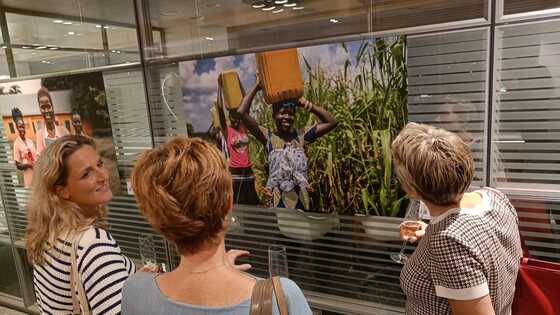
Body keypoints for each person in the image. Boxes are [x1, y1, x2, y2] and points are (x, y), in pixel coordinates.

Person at [25, 135, 246, 314]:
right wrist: (216, 277)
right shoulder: (91, 243)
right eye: (86, 174)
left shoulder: (49, 237)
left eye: (99, 164)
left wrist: (135, 279)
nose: (102, 175)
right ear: (61, 190)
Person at [123, 137, 312, 315]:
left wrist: (215, 270)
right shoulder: (281, 297)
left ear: (156, 218)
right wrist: (220, 271)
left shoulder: (135, 291)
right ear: (229, 202)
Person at [393, 122, 522, 315]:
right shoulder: (495, 198)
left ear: (412, 189)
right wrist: (429, 232)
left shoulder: (448, 240)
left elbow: (459, 243)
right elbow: (489, 247)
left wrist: (438, 237)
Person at [237, 78, 337, 211]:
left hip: (301, 200)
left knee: (300, 229)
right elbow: (242, 113)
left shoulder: (301, 136)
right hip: (277, 201)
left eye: (291, 114)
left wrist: (306, 104)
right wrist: (258, 86)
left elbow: (332, 122)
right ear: (274, 115)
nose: (287, 117)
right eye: (282, 112)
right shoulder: (268, 137)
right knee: (279, 230)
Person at [221, 109, 260, 205]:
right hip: (235, 175)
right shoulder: (227, 130)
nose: (235, 120)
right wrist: (221, 95)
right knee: (237, 203)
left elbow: (246, 110)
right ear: (229, 117)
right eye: (232, 117)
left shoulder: (244, 127)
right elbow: (220, 111)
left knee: (253, 204)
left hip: (248, 174)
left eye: (237, 118)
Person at [35, 87, 69, 155]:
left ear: (52, 106)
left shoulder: (64, 131)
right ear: (40, 110)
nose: (46, 111)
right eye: (43, 107)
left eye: (48, 106)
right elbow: (40, 160)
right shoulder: (40, 135)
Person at [11, 108, 37, 188]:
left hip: (37, 173)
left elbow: (36, 157)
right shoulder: (16, 143)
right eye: (19, 127)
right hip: (28, 176)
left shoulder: (30, 141)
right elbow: (18, 165)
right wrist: (28, 165)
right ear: (16, 128)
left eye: (23, 127)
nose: (22, 129)